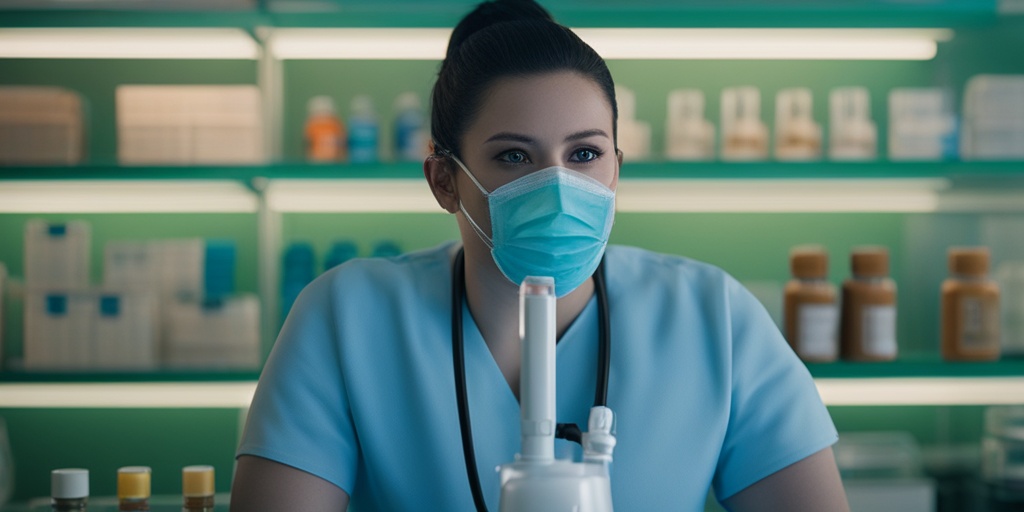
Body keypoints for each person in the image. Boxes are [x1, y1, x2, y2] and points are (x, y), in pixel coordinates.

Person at [230, 1, 850, 510]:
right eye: (514, 157)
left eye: (584, 155)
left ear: (616, 171)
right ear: (444, 180)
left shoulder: (712, 316)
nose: (557, 188)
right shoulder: (345, 318)